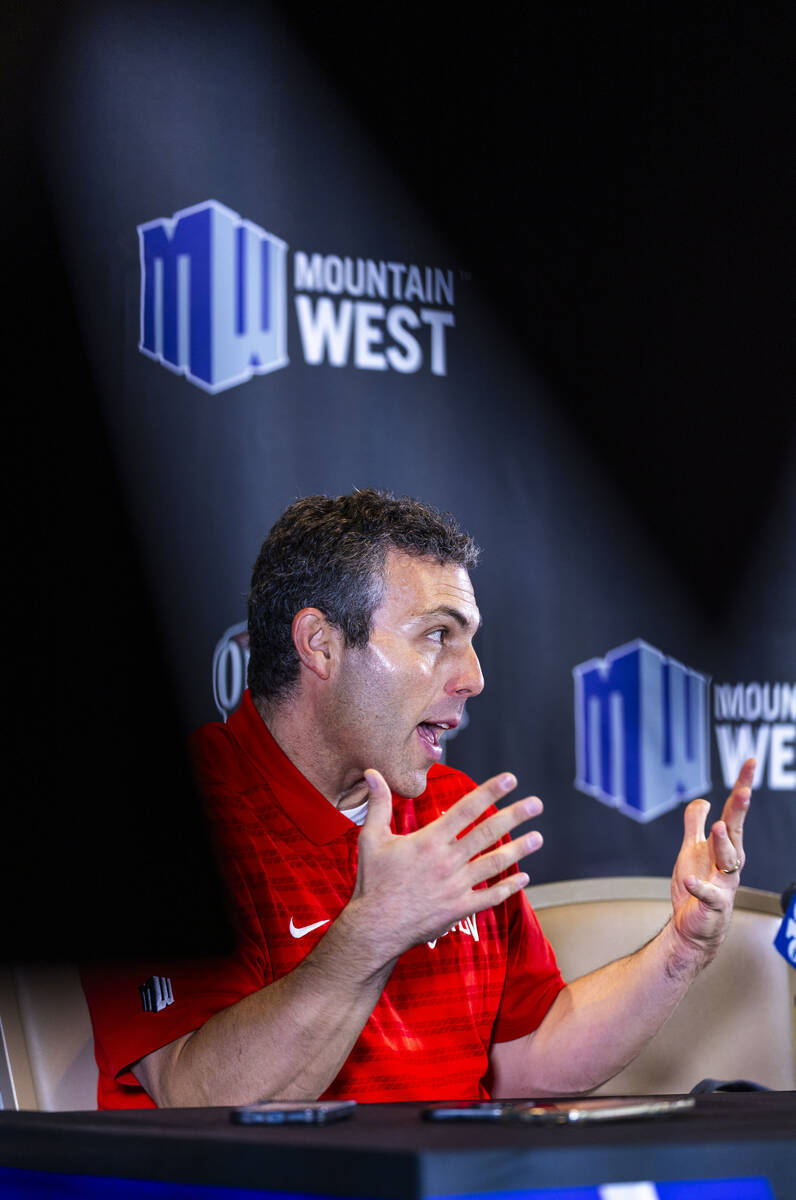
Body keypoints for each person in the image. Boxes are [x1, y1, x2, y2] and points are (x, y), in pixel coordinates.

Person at [80, 490, 753, 1108]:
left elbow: (526, 1061)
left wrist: (680, 950)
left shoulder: (453, 810)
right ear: (320, 644)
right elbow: (197, 1099)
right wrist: (373, 933)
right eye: (438, 635)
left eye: (470, 640)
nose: (475, 677)